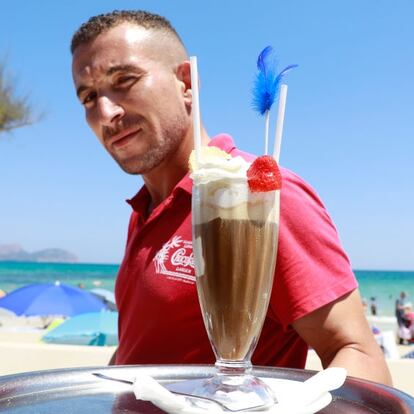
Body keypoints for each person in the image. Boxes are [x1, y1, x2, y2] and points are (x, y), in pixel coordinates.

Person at [70, 10, 392, 385]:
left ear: (186, 82)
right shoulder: (143, 211)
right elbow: (140, 350)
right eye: (89, 97)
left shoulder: (258, 194)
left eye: (124, 80)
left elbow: (359, 355)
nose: (106, 112)